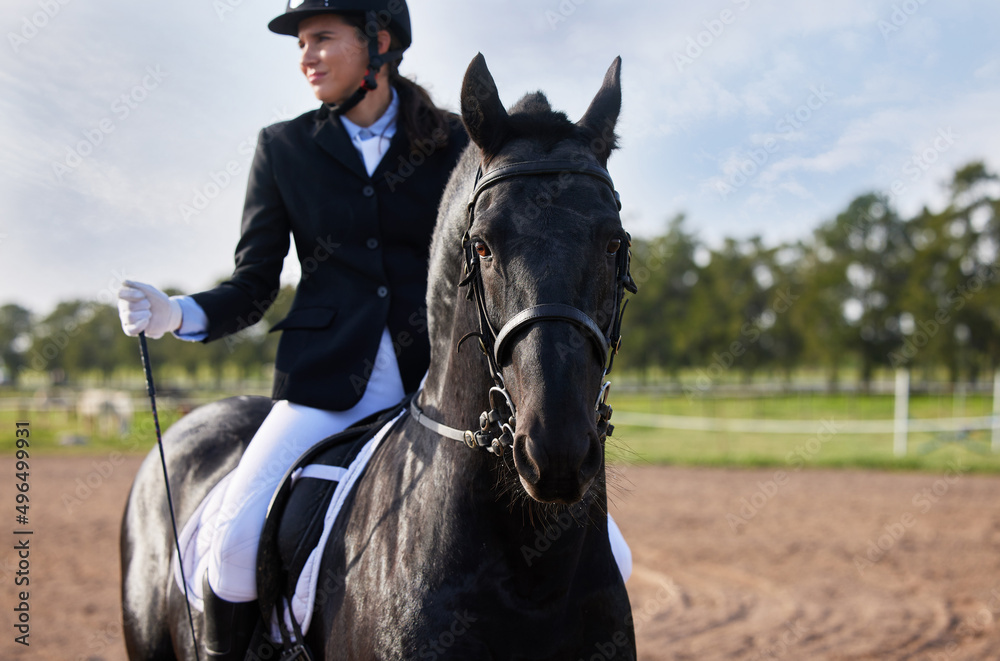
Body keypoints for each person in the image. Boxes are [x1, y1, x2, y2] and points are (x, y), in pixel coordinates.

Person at [117, 1, 468, 658]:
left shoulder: (454, 143)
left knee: (601, 541)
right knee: (233, 542)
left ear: (379, 43)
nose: (305, 56)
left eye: (322, 38)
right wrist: (177, 313)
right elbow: (254, 285)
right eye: (300, 43)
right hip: (327, 385)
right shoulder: (283, 148)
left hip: (442, 385)